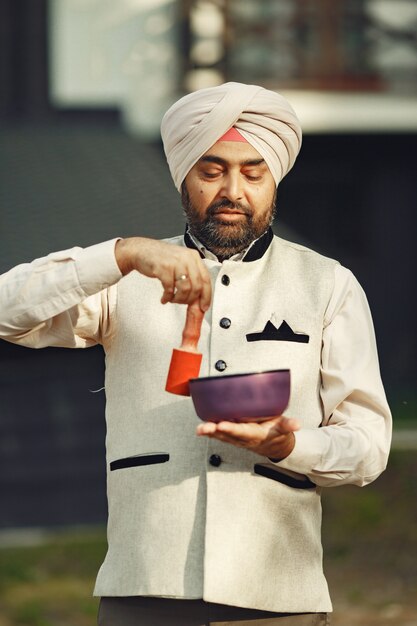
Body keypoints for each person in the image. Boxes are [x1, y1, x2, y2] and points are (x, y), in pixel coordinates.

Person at [0, 83, 391, 626]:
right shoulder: (125, 278)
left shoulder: (328, 284)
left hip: (278, 594)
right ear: (182, 176)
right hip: (144, 586)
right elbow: (6, 311)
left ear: (274, 179)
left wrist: (291, 444)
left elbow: (369, 449)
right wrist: (121, 253)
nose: (233, 190)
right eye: (212, 171)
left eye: (253, 173)